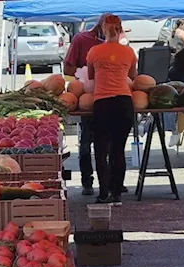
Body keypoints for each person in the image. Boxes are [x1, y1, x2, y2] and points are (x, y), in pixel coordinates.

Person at [86, 15, 137, 205]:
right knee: (118, 150)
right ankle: (117, 194)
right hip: (124, 103)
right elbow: (134, 77)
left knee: (100, 150)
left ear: (102, 29)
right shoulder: (129, 52)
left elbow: (90, 77)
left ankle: (103, 193)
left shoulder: (94, 51)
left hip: (103, 103)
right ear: (121, 29)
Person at [64, 13, 109, 196]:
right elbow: (67, 68)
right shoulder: (81, 39)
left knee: (111, 144)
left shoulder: (116, 44)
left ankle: (112, 183)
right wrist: (82, 77)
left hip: (109, 97)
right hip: (87, 99)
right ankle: (87, 181)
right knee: (86, 143)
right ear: (100, 27)